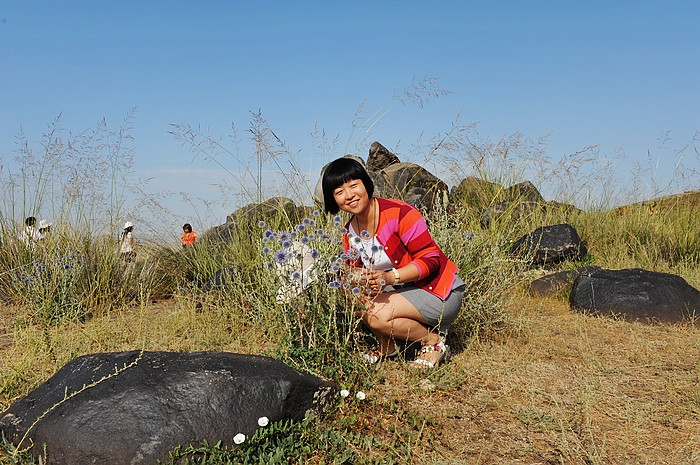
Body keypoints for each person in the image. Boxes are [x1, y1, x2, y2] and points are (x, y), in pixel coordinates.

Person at [322, 157, 466, 369]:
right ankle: (388, 347)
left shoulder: (399, 213)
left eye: (353, 185)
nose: (349, 195)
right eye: (339, 191)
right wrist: (351, 277)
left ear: (366, 184)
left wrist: (389, 277)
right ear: (333, 199)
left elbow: (431, 259)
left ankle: (433, 342)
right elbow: (353, 273)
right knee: (350, 291)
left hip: (439, 291)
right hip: (404, 291)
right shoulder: (349, 231)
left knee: (375, 313)